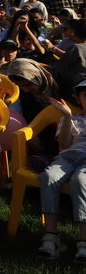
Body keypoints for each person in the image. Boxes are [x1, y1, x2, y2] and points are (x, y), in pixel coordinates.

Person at [38, 79, 86, 262]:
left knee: (80, 180)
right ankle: (51, 237)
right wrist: (66, 117)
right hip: (69, 157)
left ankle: (83, 241)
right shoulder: (73, 119)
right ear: (79, 98)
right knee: (48, 177)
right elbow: (64, 145)